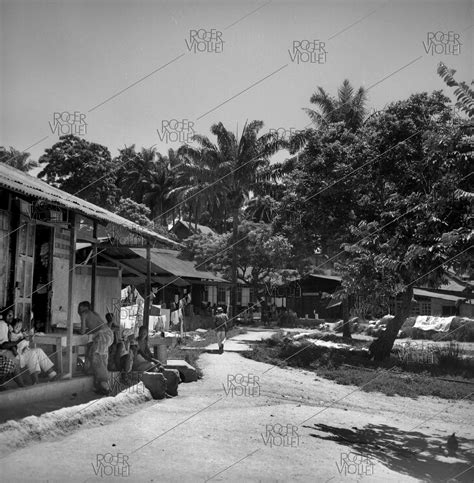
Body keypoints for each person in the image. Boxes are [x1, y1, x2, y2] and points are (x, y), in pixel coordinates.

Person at [1, 309, 57, 384]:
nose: (18, 328)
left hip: (23, 351)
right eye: (16, 326)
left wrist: (27, 337)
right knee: (32, 353)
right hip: (17, 355)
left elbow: (27, 337)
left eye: (19, 326)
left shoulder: (17, 331)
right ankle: (35, 381)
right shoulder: (7, 329)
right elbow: (7, 345)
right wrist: (19, 347)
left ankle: (52, 374)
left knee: (39, 350)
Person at [78, 301, 114, 395]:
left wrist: (78, 331)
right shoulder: (94, 313)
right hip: (109, 334)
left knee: (96, 357)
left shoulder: (84, 314)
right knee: (100, 357)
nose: (78, 310)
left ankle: (105, 386)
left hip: (102, 336)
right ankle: (99, 383)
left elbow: (82, 331)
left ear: (84, 307)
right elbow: (94, 327)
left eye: (79, 307)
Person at [132, 326, 180, 396]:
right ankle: (162, 391)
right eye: (142, 333)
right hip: (137, 363)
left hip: (144, 361)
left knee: (156, 367)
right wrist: (155, 361)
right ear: (139, 333)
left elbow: (148, 353)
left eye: (145, 333)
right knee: (152, 365)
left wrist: (155, 360)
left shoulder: (145, 341)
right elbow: (143, 355)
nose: (143, 335)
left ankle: (164, 389)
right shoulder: (136, 342)